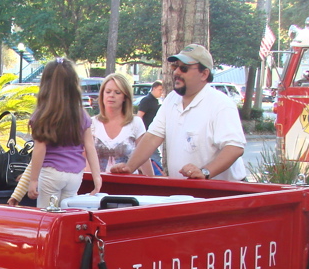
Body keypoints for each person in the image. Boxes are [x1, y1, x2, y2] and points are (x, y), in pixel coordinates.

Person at [110, 44, 246, 181]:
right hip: (186, 191)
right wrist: (129, 167)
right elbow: (152, 138)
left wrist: (205, 172)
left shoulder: (221, 104)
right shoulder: (171, 100)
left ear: (204, 74)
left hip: (222, 194)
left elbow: (234, 148)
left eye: (184, 68)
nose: (176, 72)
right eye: (175, 67)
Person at [26, 58, 102, 208]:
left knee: (47, 217)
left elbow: (40, 149)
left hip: (51, 173)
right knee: (68, 214)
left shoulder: (42, 116)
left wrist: (33, 180)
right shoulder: (81, 115)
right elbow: (90, 147)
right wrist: (97, 176)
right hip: (75, 174)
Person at [92, 73, 153, 175]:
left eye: (117, 92)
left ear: (125, 97)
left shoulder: (136, 123)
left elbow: (144, 157)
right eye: (108, 92)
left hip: (129, 186)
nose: (111, 95)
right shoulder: (91, 123)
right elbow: (85, 160)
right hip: (98, 186)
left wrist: (152, 186)